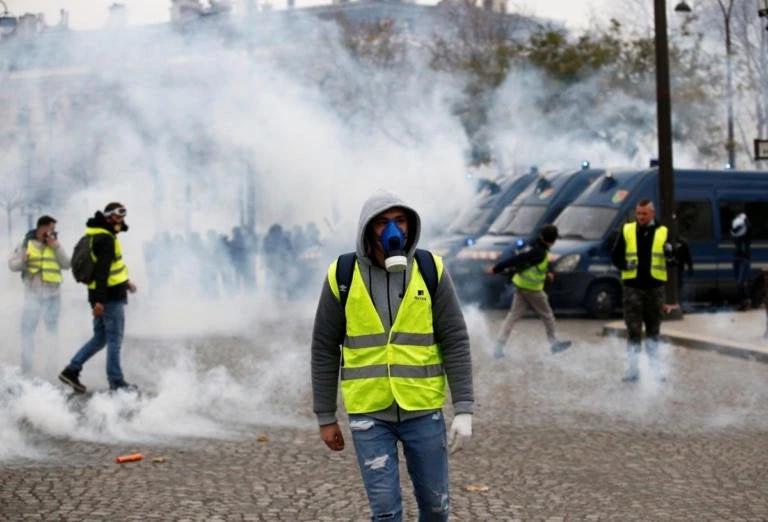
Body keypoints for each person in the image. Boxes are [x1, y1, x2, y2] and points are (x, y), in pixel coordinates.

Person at [311, 190, 474, 522]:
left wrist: (464, 409)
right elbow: (324, 347)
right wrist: (325, 416)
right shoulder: (342, 275)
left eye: (400, 220)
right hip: (369, 413)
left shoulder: (431, 270)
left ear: (410, 225)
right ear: (367, 228)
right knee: (385, 512)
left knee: (436, 508)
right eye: (382, 222)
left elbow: (455, 340)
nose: (392, 230)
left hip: (422, 409)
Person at [58, 202, 138, 394]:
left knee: (100, 338)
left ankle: (71, 370)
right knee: (114, 340)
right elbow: (102, 272)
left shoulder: (96, 233)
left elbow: (111, 268)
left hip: (100, 294)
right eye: (117, 217)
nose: (120, 221)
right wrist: (100, 302)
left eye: (122, 218)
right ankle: (116, 382)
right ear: (108, 217)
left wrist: (125, 282)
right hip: (109, 297)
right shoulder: (106, 239)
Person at [611, 199, 674, 382]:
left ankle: (655, 371)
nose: (640, 217)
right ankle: (632, 371)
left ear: (652, 213)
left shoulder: (663, 232)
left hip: (655, 289)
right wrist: (625, 265)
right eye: (638, 213)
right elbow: (615, 255)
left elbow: (672, 260)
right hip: (632, 289)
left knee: (653, 332)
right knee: (633, 331)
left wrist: (670, 253)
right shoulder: (627, 229)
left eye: (644, 213)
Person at [490, 224, 572, 359]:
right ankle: (554, 344)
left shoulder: (535, 245)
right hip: (533, 290)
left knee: (512, 316)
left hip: (521, 286)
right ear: (552, 241)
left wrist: (547, 272)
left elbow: (533, 264)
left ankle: (499, 345)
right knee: (548, 316)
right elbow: (518, 259)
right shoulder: (540, 251)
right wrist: (497, 268)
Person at [7, 215, 71, 375]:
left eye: (54, 229)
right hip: (33, 296)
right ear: (41, 228)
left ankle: (52, 368)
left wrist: (56, 247)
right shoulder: (26, 243)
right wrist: (23, 260)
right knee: (27, 331)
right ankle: (26, 367)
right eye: (51, 228)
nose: (53, 232)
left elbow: (67, 264)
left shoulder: (55, 244)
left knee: (52, 333)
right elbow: (12, 265)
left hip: (53, 296)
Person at [731, 212, 752, 311]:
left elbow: (749, 228)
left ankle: (747, 300)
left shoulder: (747, 235)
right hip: (736, 258)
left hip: (744, 259)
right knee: (739, 283)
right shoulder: (736, 235)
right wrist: (737, 218)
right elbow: (733, 228)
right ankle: (743, 302)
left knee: (740, 282)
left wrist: (745, 218)